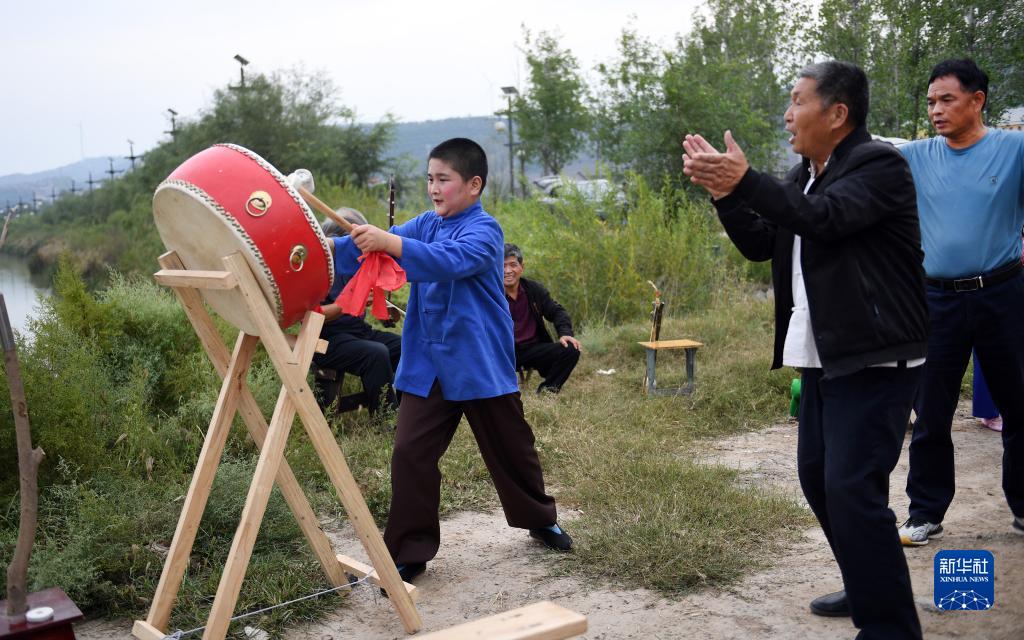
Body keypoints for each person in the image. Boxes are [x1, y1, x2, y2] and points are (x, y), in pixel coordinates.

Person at [683, 61, 928, 639]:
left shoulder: (878, 165)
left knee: (852, 489)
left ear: (837, 113)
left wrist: (747, 181)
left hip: (876, 355)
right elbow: (762, 243)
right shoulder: (805, 176)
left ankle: (890, 627)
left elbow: (826, 220)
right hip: (826, 355)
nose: (788, 115)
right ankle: (866, 581)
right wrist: (726, 195)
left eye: (797, 101)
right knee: (819, 478)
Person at [329, 137, 571, 584]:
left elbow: (447, 261)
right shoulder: (426, 223)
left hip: (479, 364)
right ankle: (410, 551)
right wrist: (322, 247)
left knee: (512, 448)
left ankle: (539, 518)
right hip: (428, 366)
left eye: (443, 179)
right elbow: (368, 249)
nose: (433, 188)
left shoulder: (485, 231)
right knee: (409, 453)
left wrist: (388, 241)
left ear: (473, 185)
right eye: (429, 179)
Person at [898, 58, 1024, 545]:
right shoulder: (916, 156)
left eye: (947, 100)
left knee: (1019, 405)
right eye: (931, 101)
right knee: (931, 412)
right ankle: (925, 512)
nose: (936, 110)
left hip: (1003, 294)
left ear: (977, 100)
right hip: (937, 301)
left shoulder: (1013, 149)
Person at [312, 209, 402, 422]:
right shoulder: (316, 267)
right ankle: (386, 420)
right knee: (376, 354)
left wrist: (387, 313)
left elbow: (372, 309)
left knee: (405, 346)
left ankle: (406, 409)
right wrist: (349, 302)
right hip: (326, 339)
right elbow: (310, 317)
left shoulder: (358, 262)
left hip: (358, 331)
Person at [502, 243, 581, 394]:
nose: (507, 271)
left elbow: (557, 312)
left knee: (571, 349)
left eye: (513, 265)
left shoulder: (533, 289)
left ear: (522, 267)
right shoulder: (491, 294)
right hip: (504, 352)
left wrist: (565, 333)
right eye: (502, 266)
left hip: (534, 348)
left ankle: (547, 392)